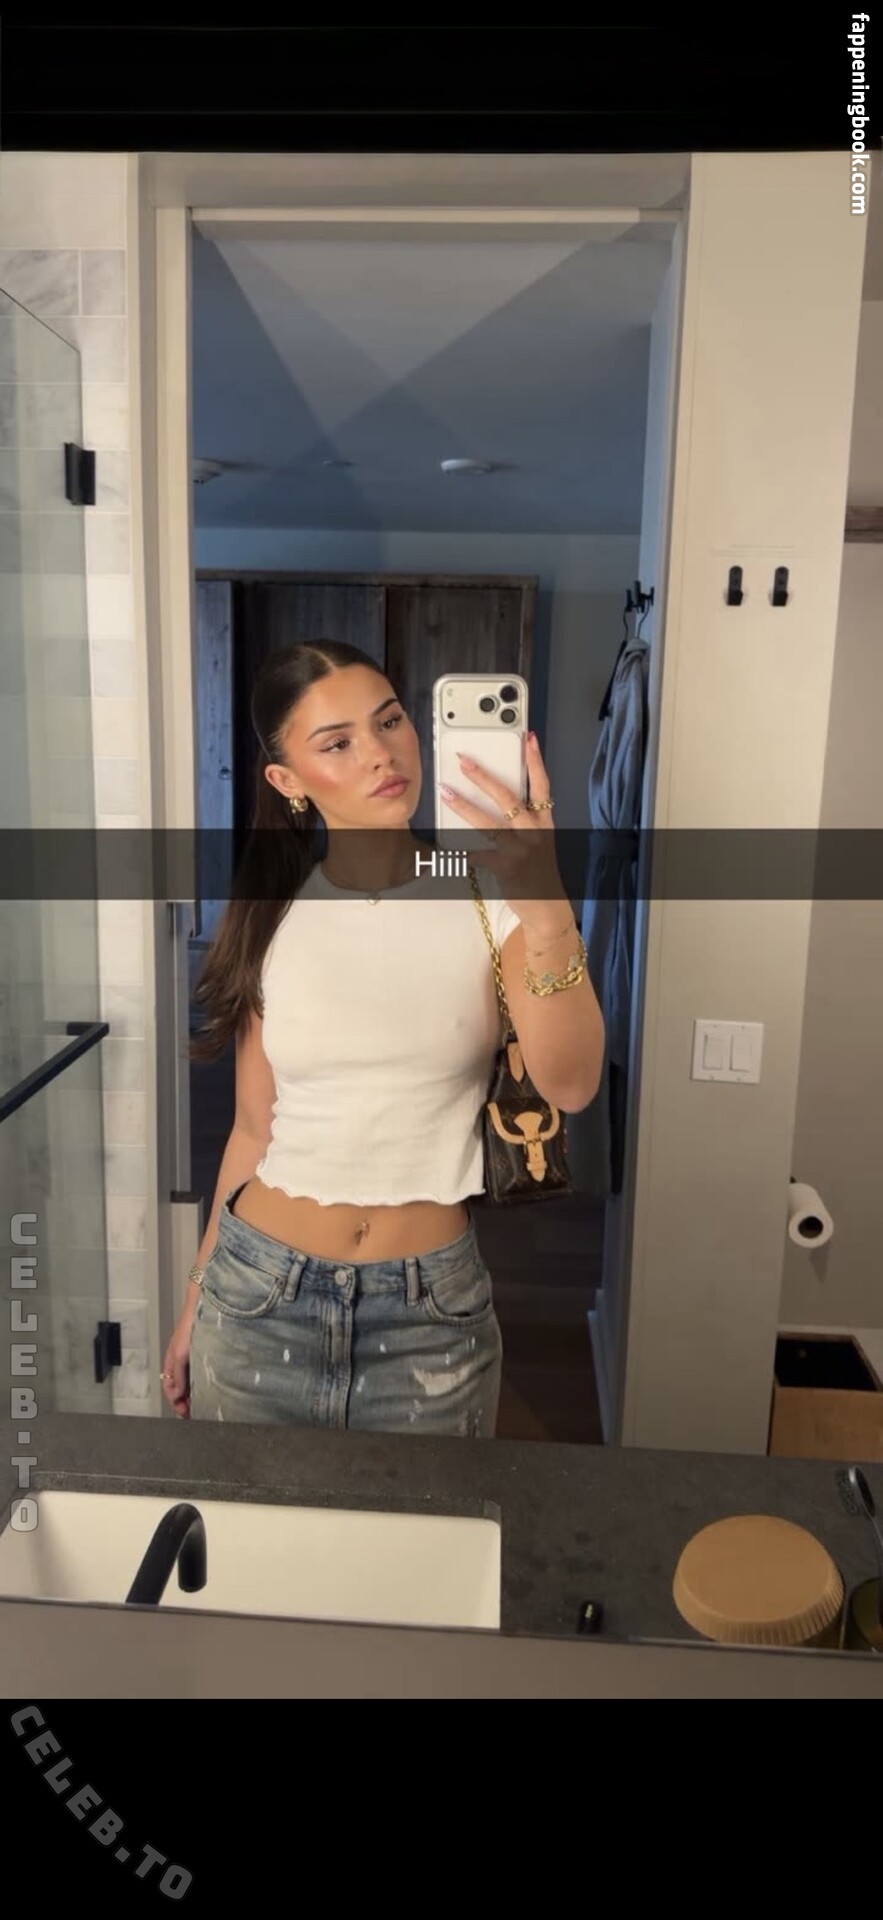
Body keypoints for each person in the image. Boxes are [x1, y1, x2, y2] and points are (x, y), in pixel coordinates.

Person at [160, 639, 604, 1435]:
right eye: (337, 743)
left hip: (429, 1313)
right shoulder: (271, 911)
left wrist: (545, 909)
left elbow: (570, 1084)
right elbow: (254, 1129)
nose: (380, 753)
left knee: (432, 1521)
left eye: (389, 721)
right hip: (256, 1295)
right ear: (288, 782)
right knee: (252, 1519)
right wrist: (196, 1299)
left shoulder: (487, 892)